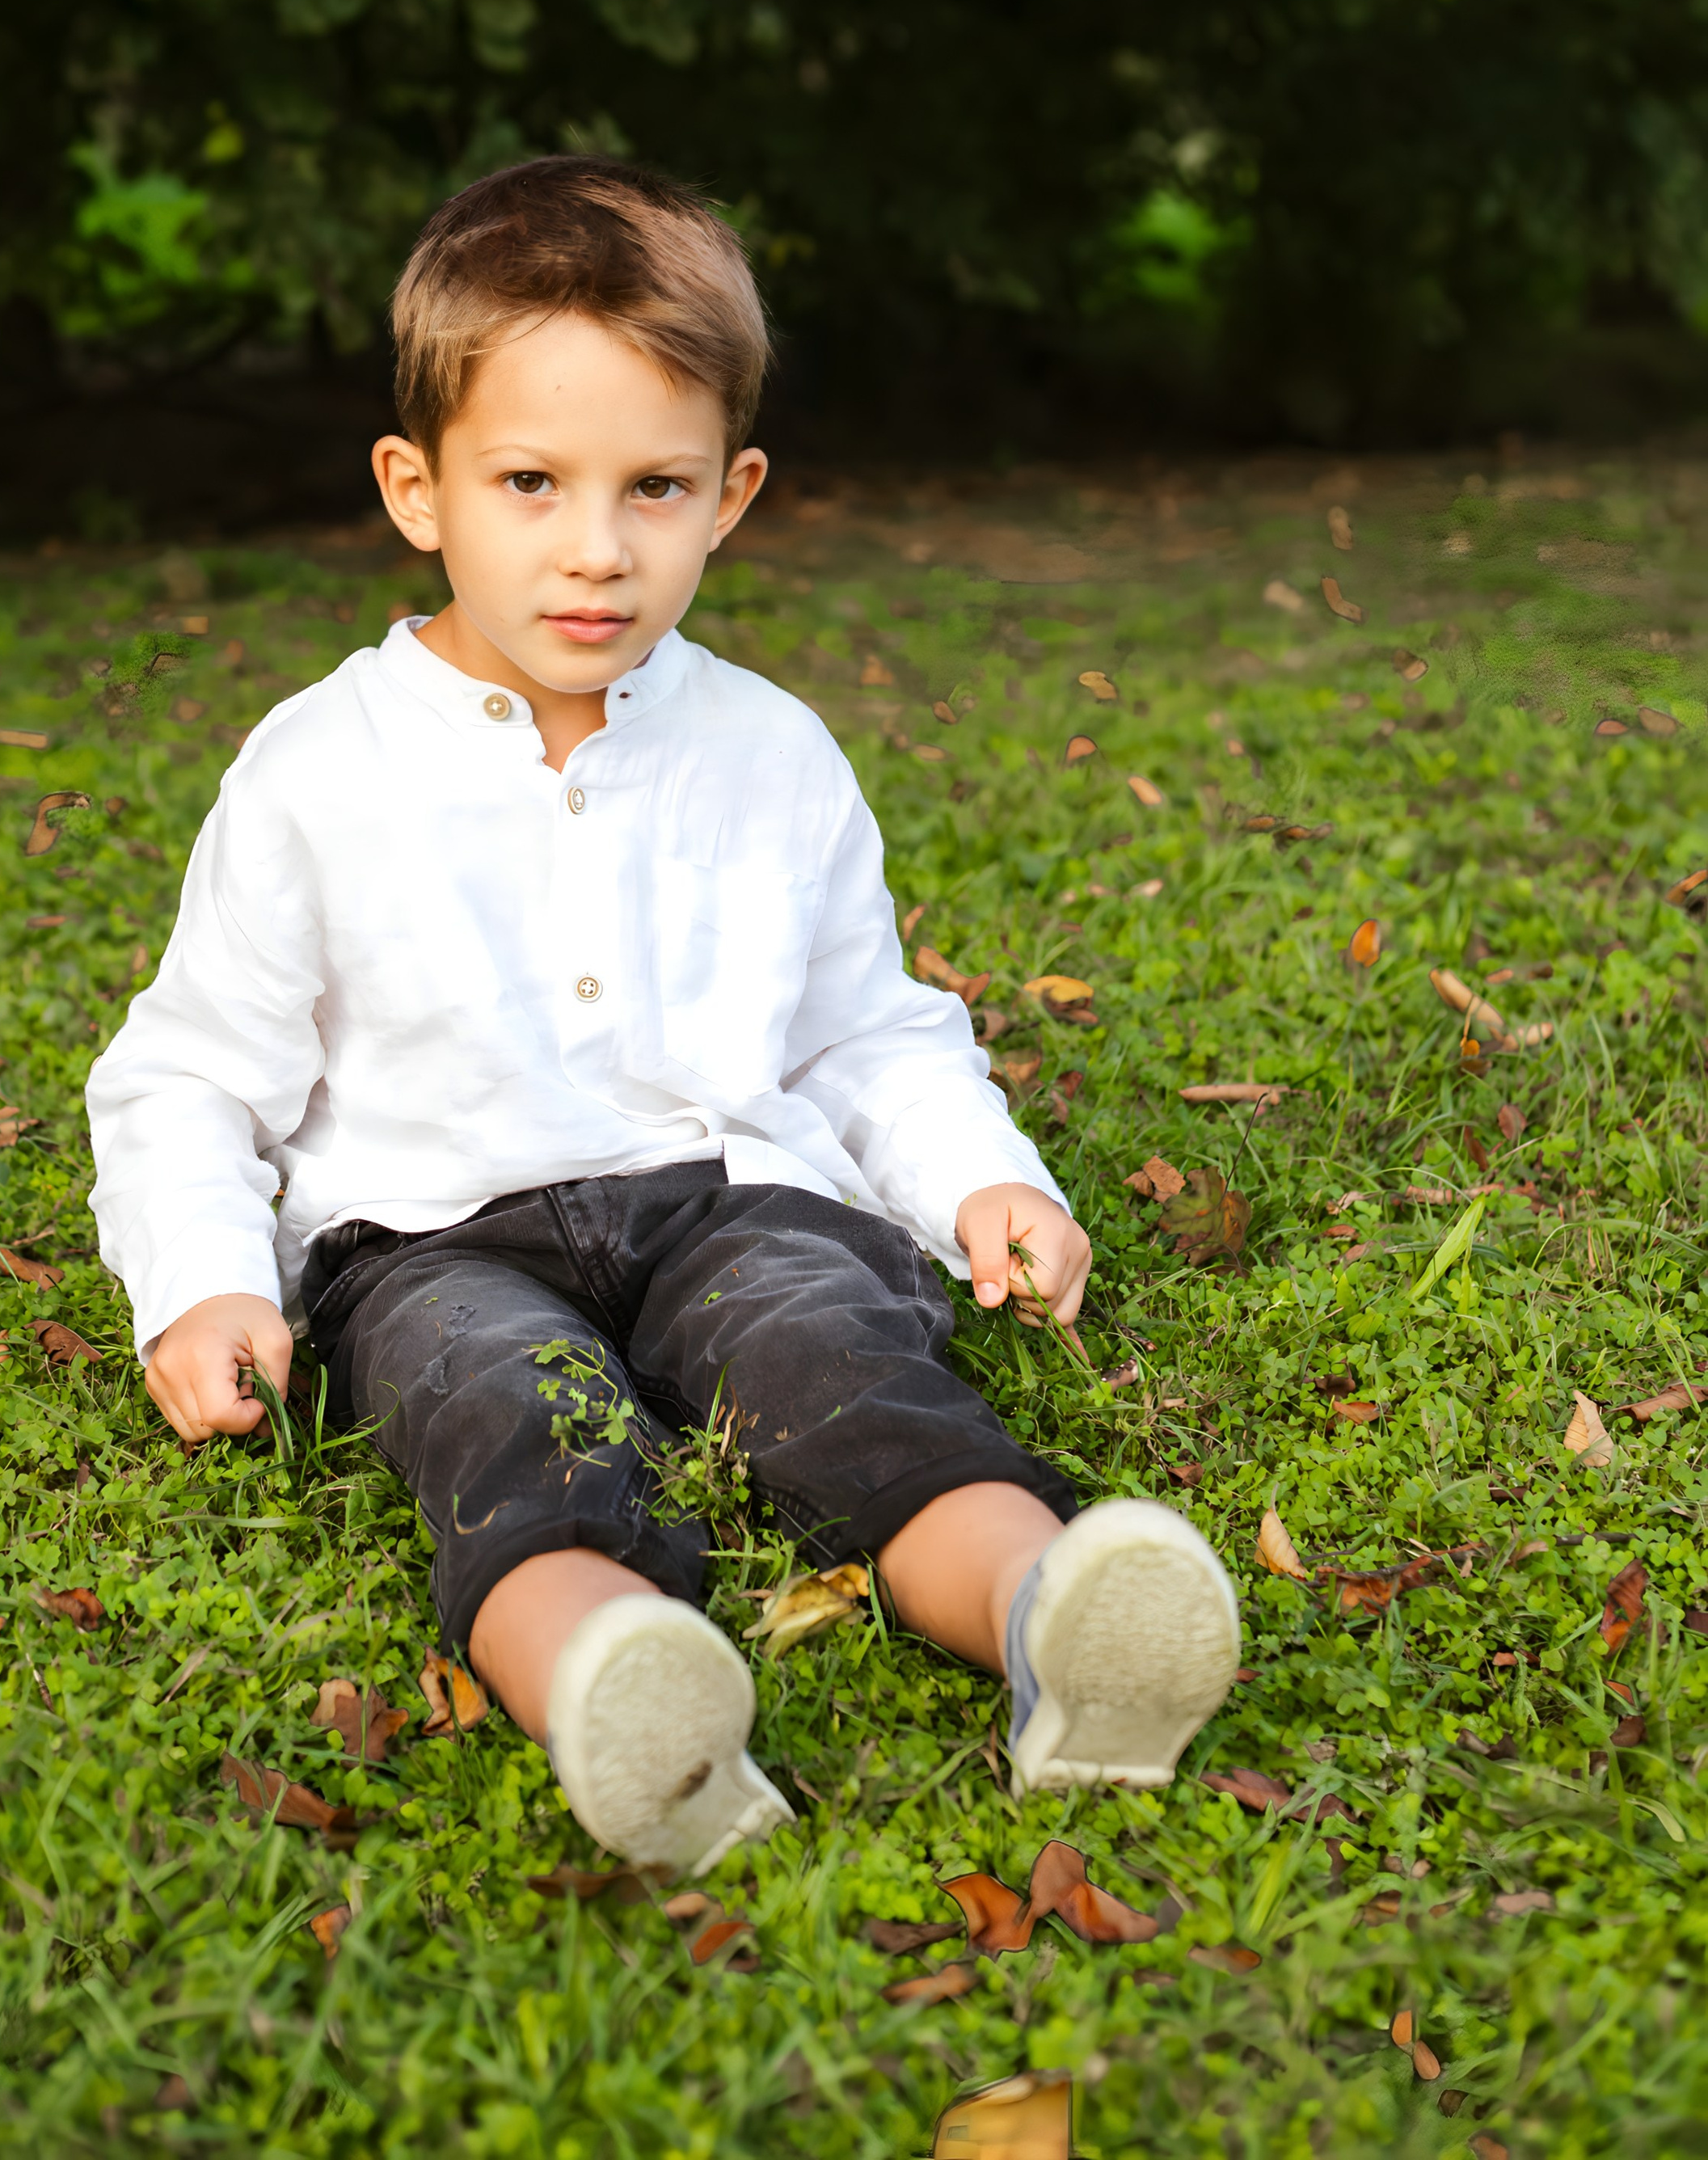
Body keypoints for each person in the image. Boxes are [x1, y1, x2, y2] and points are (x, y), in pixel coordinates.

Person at [86, 156, 1238, 1874]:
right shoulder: (315, 770)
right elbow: (190, 1076)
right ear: (417, 488)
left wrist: (982, 1183)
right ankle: (614, 1687)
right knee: (502, 1411)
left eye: (654, 487)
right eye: (531, 482)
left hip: (721, 1196)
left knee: (843, 1361)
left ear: (733, 493)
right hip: (433, 1231)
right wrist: (201, 1286)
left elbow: (864, 1029)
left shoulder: (766, 749)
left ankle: (1042, 1607)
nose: (595, 548)